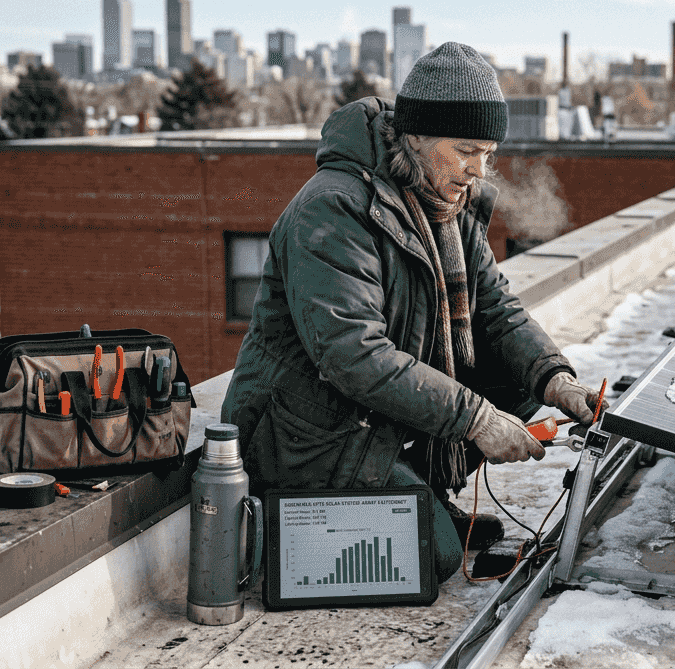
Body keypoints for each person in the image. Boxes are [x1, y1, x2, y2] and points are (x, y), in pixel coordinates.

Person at [220, 42, 607, 583]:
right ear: (418, 136)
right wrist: (473, 418)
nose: (479, 170)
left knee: (520, 382)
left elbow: (494, 309)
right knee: (436, 558)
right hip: (310, 436)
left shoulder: (449, 204)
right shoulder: (332, 208)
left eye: (488, 154)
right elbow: (353, 355)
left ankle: (421, 488)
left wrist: (558, 381)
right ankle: (356, 511)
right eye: (466, 150)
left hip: (373, 421)